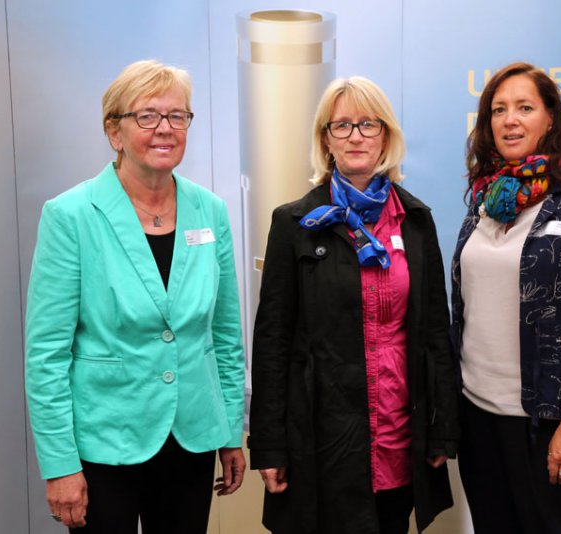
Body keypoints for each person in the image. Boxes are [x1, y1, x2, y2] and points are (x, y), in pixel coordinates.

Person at [24, 59, 246, 532]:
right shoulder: (70, 216)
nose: (165, 129)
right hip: (104, 445)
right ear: (114, 131)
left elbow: (225, 337)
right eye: (147, 116)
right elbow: (46, 355)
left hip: (191, 439)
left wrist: (230, 430)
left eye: (177, 116)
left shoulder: (210, 211)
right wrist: (59, 464)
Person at [248, 76, 459, 534]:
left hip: (398, 436)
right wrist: (268, 445)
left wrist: (442, 429)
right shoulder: (295, 223)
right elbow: (273, 342)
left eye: (368, 124)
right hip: (320, 439)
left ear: (386, 135)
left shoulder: (416, 221)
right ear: (326, 140)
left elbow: (434, 333)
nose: (356, 136)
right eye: (341, 125)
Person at [450, 61, 561, 533]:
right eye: (499, 110)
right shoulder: (485, 199)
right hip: (477, 414)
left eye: (525, 107)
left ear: (550, 118)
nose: (510, 120)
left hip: (546, 419)